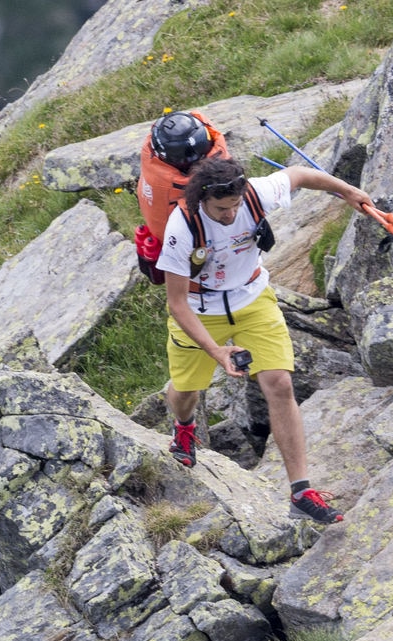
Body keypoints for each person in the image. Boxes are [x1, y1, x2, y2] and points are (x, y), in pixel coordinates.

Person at [155, 153, 373, 524]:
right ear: (202, 200)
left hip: (252, 298)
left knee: (280, 384)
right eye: (222, 209)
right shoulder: (182, 227)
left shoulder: (254, 194)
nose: (230, 214)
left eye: (235, 205)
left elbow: (301, 175)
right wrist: (217, 351)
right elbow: (176, 303)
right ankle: (184, 428)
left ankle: (301, 491)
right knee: (186, 390)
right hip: (199, 309)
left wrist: (349, 192)